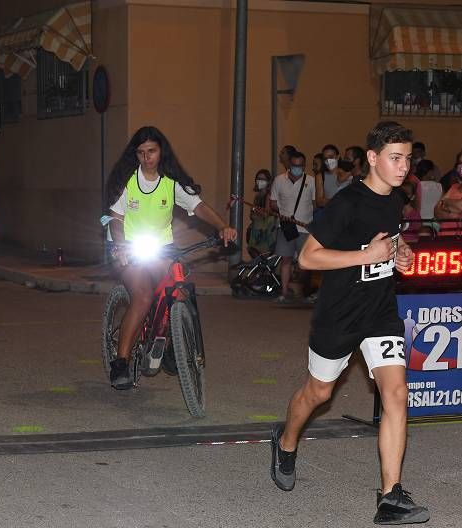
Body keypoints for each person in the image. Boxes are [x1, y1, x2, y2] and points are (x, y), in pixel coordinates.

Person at [269, 120, 430, 526]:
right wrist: (368, 256)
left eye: (408, 159)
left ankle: (390, 496)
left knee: (396, 395)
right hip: (339, 314)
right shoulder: (346, 203)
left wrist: (400, 252)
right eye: (395, 158)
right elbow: (308, 257)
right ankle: (286, 443)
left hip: (379, 312)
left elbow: (390, 241)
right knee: (318, 393)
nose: (403, 166)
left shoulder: (395, 199)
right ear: (372, 159)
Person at [104, 125, 237, 390]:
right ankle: (121, 361)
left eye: (151, 151)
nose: (146, 157)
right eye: (141, 152)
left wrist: (223, 226)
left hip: (160, 247)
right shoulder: (127, 180)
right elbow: (116, 220)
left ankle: (172, 344)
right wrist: (120, 246)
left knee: (180, 285)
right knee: (142, 295)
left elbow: (198, 206)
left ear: (161, 151)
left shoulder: (171, 180)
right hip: (127, 248)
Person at [269, 149, 316, 302]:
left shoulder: (311, 181)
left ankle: (303, 292)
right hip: (286, 227)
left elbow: (315, 204)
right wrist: (281, 212)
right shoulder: (279, 180)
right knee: (286, 260)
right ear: (289, 165)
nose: (297, 168)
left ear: (304, 166)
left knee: (305, 261)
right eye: (295, 165)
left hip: (305, 227)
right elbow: (273, 203)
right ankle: (284, 292)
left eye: (301, 165)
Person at [247, 169, 276, 256]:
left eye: (263, 179)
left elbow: (266, 214)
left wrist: (256, 211)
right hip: (257, 228)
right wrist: (255, 211)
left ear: (268, 181)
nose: (260, 181)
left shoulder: (269, 195)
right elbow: (252, 215)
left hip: (266, 229)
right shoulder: (257, 196)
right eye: (258, 179)